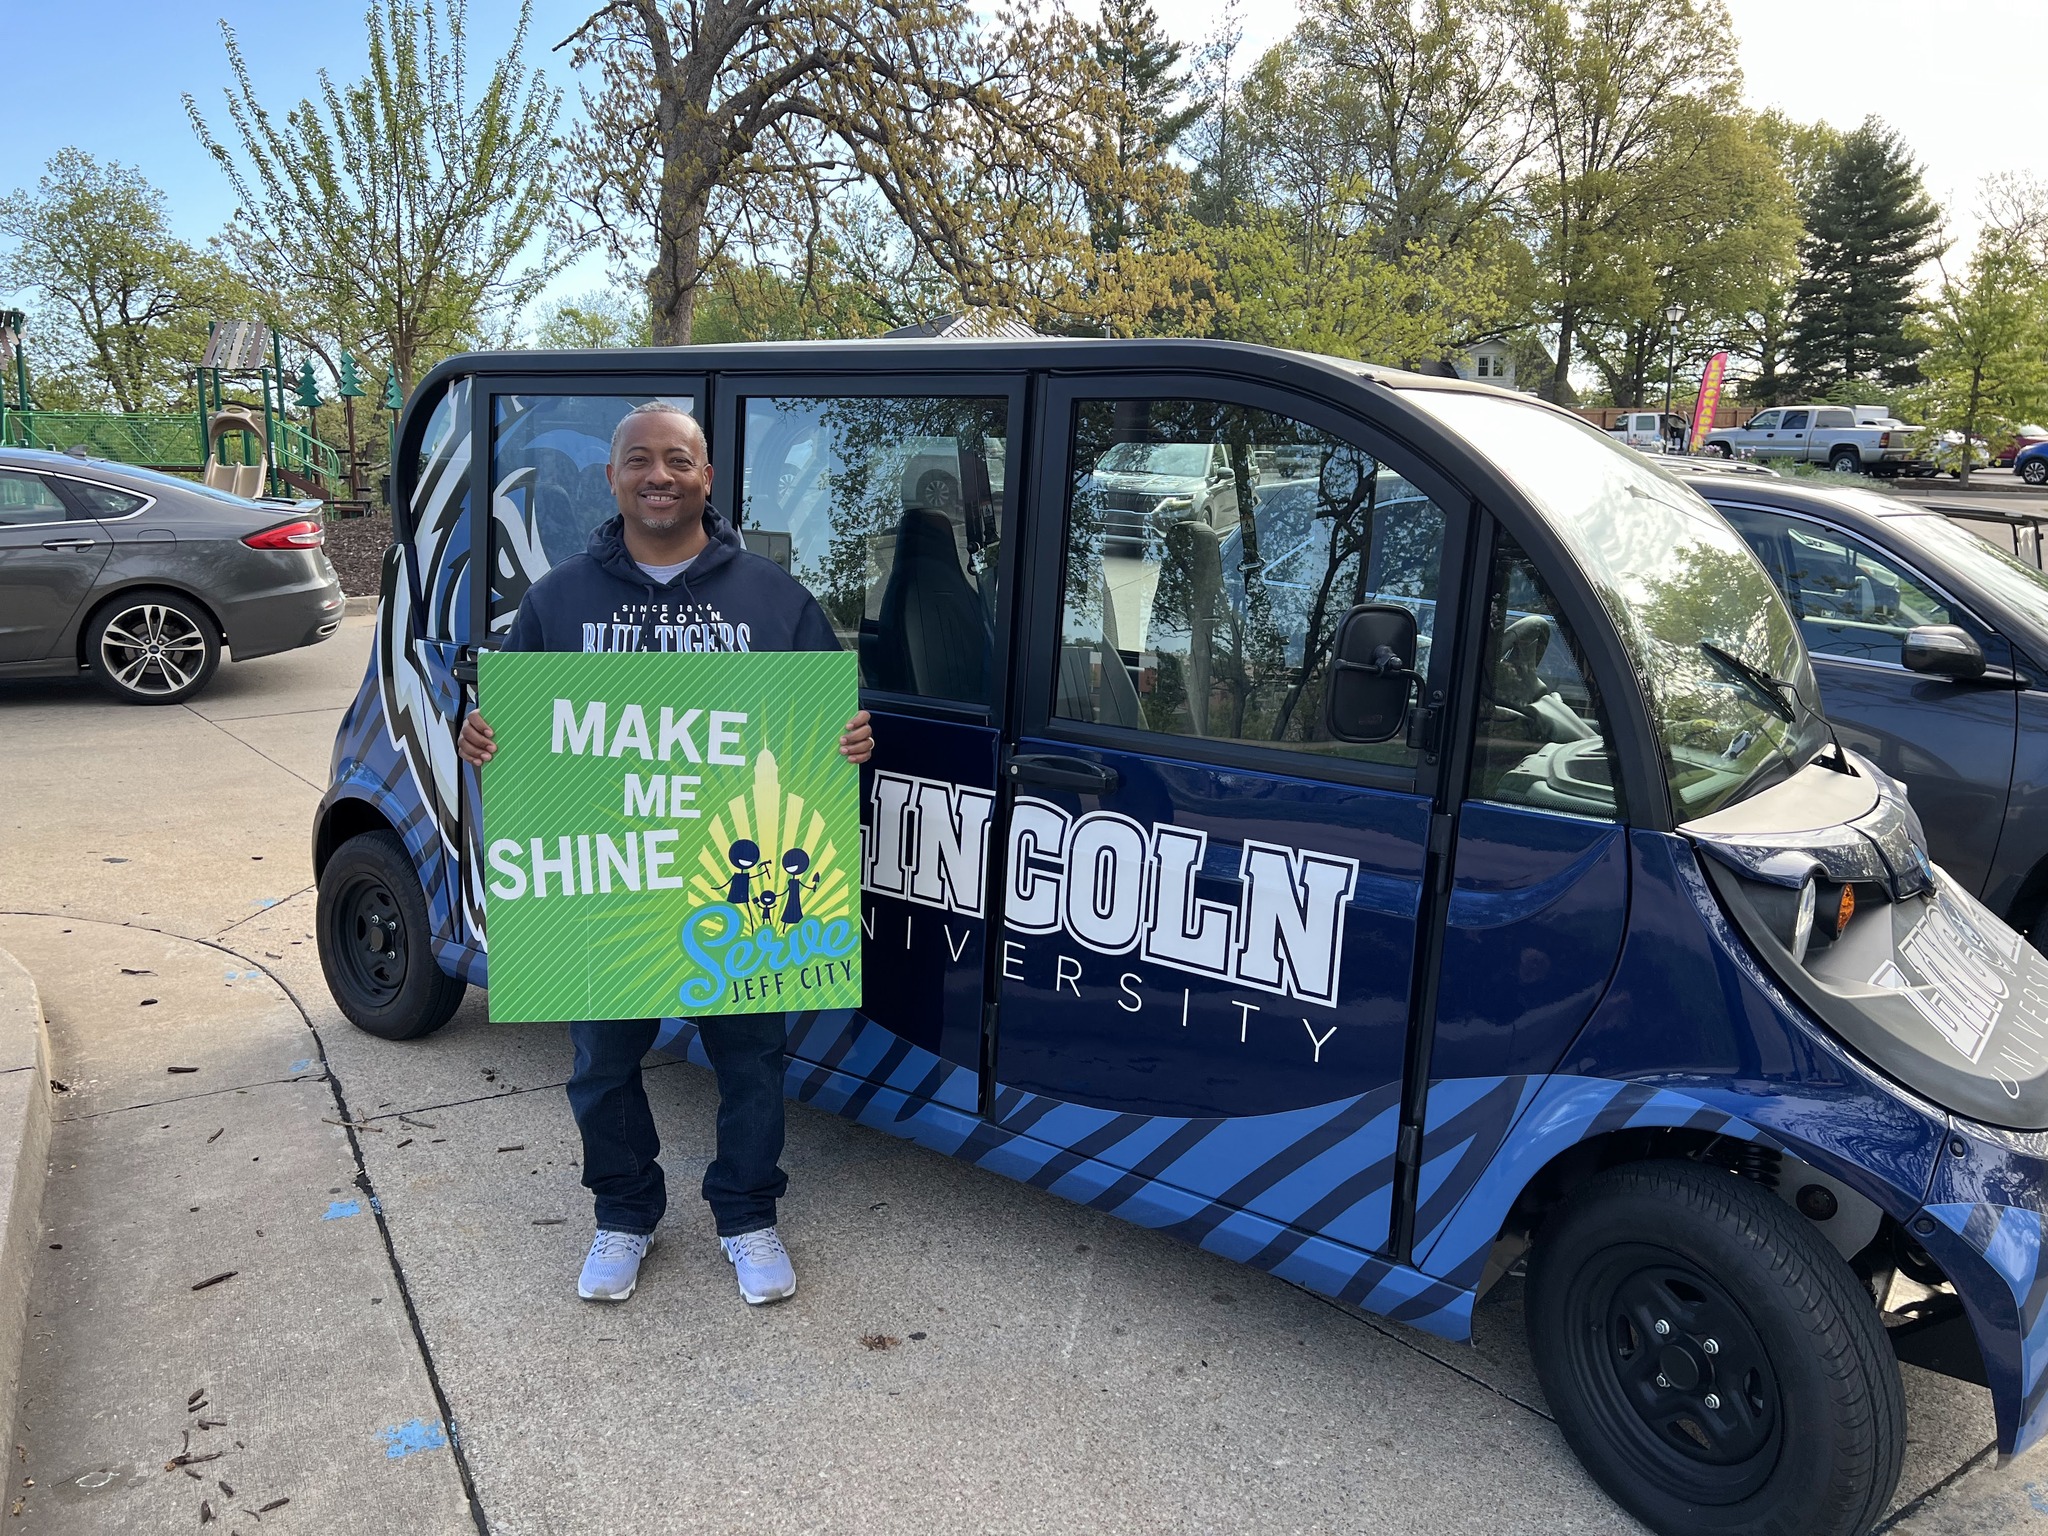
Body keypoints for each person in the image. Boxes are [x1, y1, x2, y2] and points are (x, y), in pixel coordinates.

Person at [457, 401, 873, 1307]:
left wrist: (849, 741)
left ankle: (746, 1214)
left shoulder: (771, 597)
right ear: (612, 478)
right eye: (639, 460)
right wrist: (483, 733)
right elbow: (517, 726)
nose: (659, 475)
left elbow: (821, 721)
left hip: (741, 877)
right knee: (601, 1065)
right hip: (607, 881)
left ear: (707, 478)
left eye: (678, 460)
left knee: (753, 1061)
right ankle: (623, 1214)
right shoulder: (558, 600)